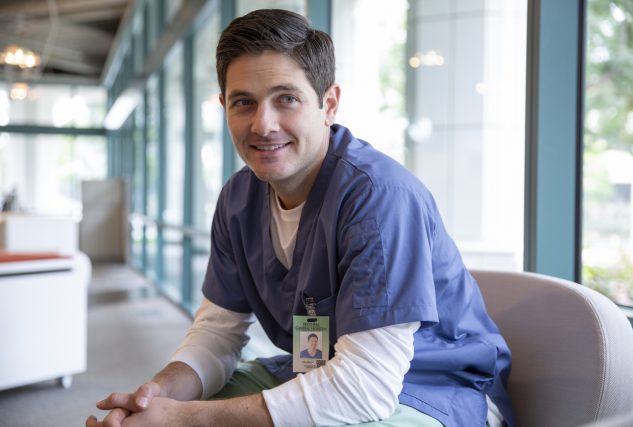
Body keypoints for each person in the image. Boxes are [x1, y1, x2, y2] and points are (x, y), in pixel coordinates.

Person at [86, 8, 514, 427]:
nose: (263, 124)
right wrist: (157, 396)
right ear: (223, 107)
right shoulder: (238, 199)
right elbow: (219, 334)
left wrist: (185, 419)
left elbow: (366, 386)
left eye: (286, 99)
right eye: (243, 103)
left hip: (432, 392)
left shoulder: (380, 198)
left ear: (329, 104)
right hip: (315, 374)